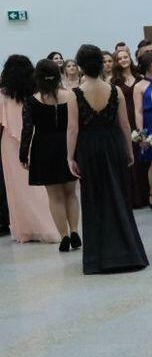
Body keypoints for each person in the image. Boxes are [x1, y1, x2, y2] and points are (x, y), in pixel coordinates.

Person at [65, 45, 148, 274]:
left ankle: (98, 259)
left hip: (89, 147)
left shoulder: (74, 94)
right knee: (120, 196)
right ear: (102, 64)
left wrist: (70, 156)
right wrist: (129, 150)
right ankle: (129, 252)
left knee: (94, 199)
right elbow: (125, 125)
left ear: (80, 66)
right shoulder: (115, 90)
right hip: (113, 145)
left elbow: (72, 129)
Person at [19, 58, 79, 250]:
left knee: (55, 197)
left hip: (43, 148)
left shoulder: (31, 100)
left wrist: (23, 155)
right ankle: (75, 231)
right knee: (71, 193)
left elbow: (27, 130)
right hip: (68, 146)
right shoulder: (70, 95)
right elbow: (76, 125)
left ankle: (63, 236)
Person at [1, 56, 59, 244]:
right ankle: (50, 225)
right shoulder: (36, 92)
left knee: (16, 188)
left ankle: (24, 230)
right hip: (35, 138)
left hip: (9, 143)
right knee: (40, 186)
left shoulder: (2, 95)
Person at [110, 46, 148, 209]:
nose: (123, 60)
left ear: (130, 58)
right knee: (129, 154)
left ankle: (147, 194)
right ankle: (133, 197)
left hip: (141, 117)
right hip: (123, 119)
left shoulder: (140, 76)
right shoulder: (113, 81)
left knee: (143, 154)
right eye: (119, 58)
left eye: (125, 57)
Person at [133, 52, 152, 210]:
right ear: (146, 65)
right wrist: (141, 134)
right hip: (149, 121)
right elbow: (138, 111)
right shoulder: (139, 86)